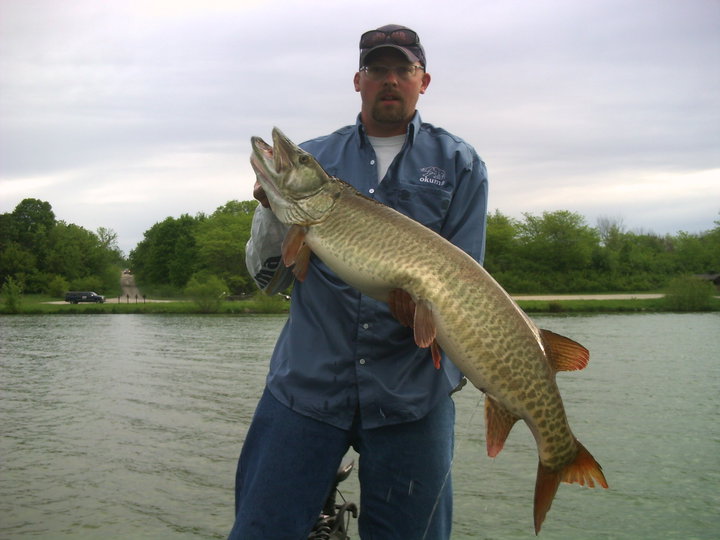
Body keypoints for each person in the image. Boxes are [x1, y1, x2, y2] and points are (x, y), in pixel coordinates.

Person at [230, 24, 488, 539]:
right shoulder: (315, 158)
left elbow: (464, 289)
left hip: (412, 395)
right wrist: (274, 211)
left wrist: (424, 310)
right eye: (377, 69)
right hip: (306, 385)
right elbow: (267, 278)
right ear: (358, 80)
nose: (390, 79)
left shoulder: (460, 164)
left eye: (403, 69)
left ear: (423, 81)